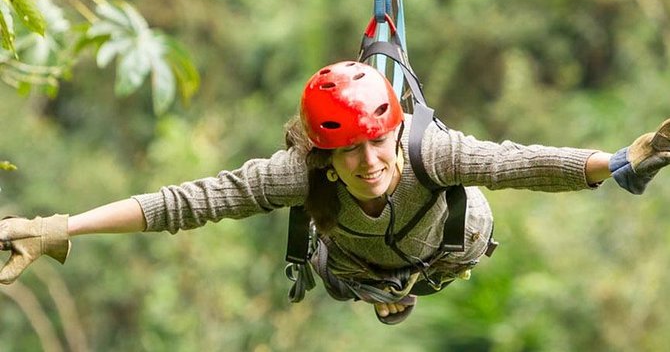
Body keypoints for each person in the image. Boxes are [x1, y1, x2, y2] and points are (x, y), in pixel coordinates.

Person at [0, 61, 668, 325]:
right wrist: (55, 228)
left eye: (378, 143)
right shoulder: (298, 175)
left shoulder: (433, 155)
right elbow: (182, 203)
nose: (368, 161)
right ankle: (381, 293)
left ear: (397, 133)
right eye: (347, 149)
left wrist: (619, 162)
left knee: (477, 209)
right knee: (335, 270)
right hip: (356, 268)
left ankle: (404, 284)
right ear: (325, 152)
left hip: (447, 250)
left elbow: (522, 163)